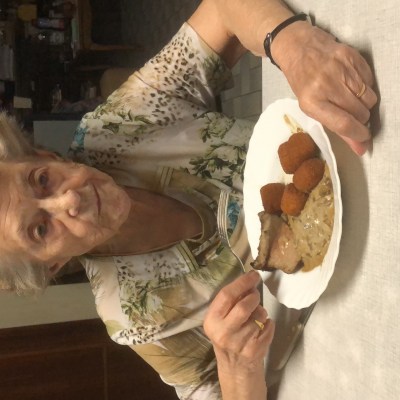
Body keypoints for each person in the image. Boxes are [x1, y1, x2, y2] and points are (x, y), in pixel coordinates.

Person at [0, 0, 377, 399]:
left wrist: (292, 45)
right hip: (355, 295)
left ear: (46, 156)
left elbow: (224, 9)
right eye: (40, 229)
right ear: (52, 264)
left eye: (41, 180)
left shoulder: (118, 127)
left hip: (354, 147)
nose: (68, 200)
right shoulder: (134, 315)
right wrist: (237, 370)